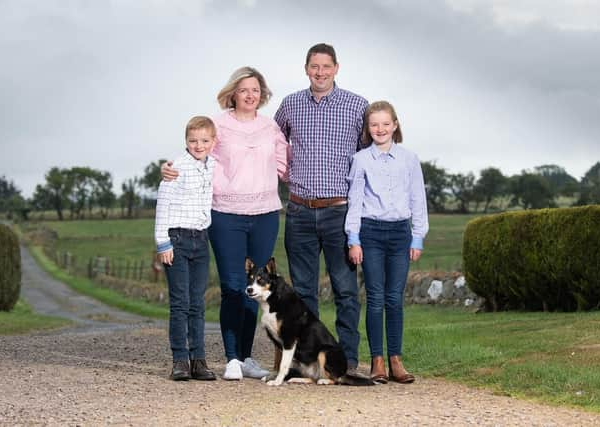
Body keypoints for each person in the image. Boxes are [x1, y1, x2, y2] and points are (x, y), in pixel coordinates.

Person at [162, 67, 288, 381]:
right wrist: (172, 168)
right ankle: (231, 358)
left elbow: (287, 166)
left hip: (265, 215)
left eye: (256, 90)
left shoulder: (270, 127)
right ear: (233, 92)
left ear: (263, 94)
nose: (250, 95)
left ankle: (247, 357)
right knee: (233, 286)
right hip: (225, 215)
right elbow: (197, 152)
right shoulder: (218, 124)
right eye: (244, 89)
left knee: (255, 289)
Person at [274, 43, 368, 374]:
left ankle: (348, 361)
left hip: (338, 211)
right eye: (314, 66)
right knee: (302, 295)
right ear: (306, 68)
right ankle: (305, 363)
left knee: (345, 291)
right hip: (299, 210)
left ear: (336, 68)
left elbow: (368, 158)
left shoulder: (357, 106)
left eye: (326, 66)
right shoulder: (290, 105)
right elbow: (270, 145)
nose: (320, 72)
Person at [345, 101, 429, 384]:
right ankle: (377, 361)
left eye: (385, 123)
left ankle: (396, 360)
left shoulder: (409, 159)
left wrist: (417, 235)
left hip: (400, 234)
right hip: (371, 233)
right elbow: (355, 202)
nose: (380, 129)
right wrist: (353, 239)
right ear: (368, 129)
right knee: (376, 299)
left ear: (395, 125)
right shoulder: (361, 159)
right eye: (374, 124)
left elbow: (418, 198)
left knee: (395, 299)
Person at [154, 115, 217, 381]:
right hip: (177, 240)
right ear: (186, 141)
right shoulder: (176, 168)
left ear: (213, 142)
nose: (199, 145)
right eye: (193, 140)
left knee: (198, 304)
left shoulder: (212, 165)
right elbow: (162, 205)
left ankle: (198, 360)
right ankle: (180, 360)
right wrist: (163, 243)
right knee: (180, 304)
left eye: (204, 140)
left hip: (201, 240)